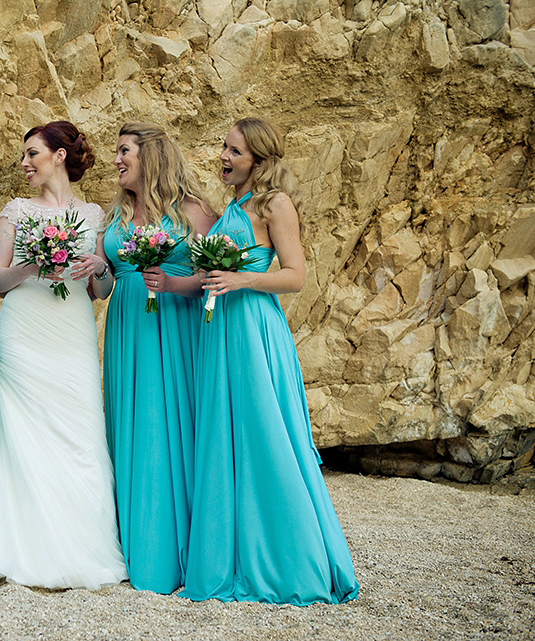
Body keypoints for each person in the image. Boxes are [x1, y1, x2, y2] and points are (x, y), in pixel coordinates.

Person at [180, 117, 359, 604]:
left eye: (234, 151)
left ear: (258, 159)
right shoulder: (231, 207)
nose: (223, 156)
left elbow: (296, 276)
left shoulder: (273, 204)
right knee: (225, 437)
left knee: (265, 435)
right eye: (223, 147)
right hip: (219, 332)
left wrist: (241, 280)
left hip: (254, 328)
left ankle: (291, 561)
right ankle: (230, 555)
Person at [0, 121, 127, 590]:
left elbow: (100, 291)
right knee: (22, 432)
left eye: (32, 153)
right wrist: (35, 262)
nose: (25, 163)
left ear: (59, 156)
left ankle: (82, 546)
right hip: (23, 329)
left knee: (81, 428)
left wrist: (100, 266)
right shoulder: (17, 211)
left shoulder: (94, 214)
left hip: (72, 330)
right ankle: (19, 544)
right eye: (23, 155)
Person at [102, 122, 214, 594]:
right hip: (126, 325)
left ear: (151, 156)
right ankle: (132, 546)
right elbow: (106, 278)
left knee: (168, 425)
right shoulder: (117, 213)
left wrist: (171, 284)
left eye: (124, 150)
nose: (117, 160)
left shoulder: (194, 213)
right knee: (129, 426)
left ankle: (173, 551)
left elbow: (212, 279)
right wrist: (95, 272)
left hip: (174, 327)